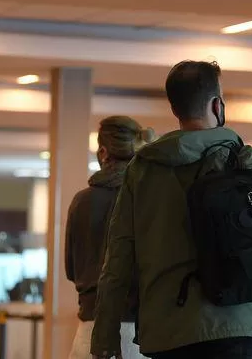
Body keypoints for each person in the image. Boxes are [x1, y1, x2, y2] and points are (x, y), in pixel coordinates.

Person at [91, 60, 252, 359]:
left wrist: (105, 335)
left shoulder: (143, 170)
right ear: (217, 105)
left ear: (175, 108)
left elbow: (118, 260)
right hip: (240, 323)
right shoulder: (244, 159)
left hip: (169, 331)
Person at [65, 115, 154, 359]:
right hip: (139, 335)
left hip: (88, 332)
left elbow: (71, 270)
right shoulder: (148, 199)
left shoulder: (82, 201)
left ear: (103, 152)